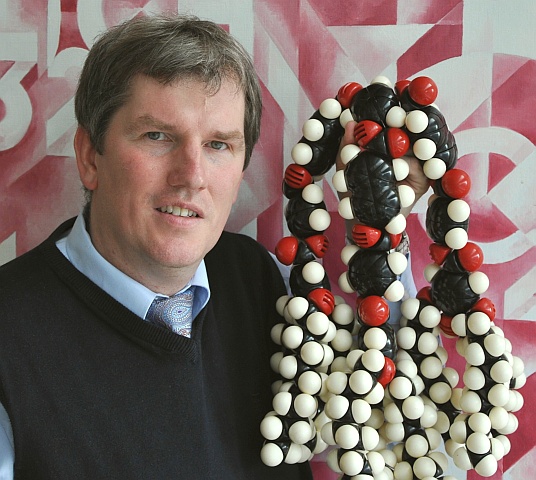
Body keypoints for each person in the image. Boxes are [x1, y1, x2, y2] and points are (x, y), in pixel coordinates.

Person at [0, 13, 429, 480]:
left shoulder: (267, 282)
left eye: (219, 145)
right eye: (157, 136)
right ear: (89, 157)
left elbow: (390, 432)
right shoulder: (10, 335)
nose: (192, 176)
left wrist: (379, 221)